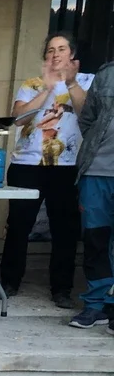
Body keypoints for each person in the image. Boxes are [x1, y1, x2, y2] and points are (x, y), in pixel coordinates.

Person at [0, 31, 95, 309]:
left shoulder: (87, 81)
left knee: (65, 229)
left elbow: (89, 115)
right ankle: (9, 282)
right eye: (51, 50)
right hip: (26, 165)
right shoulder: (32, 84)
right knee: (18, 226)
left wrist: (69, 83)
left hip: (66, 166)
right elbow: (18, 118)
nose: (55, 54)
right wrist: (48, 89)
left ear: (72, 54)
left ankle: (61, 289)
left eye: (61, 49)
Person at [70, 57, 114, 330]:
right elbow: (87, 120)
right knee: (95, 238)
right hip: (97, 170)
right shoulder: (107, 74)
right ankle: (95, 304)